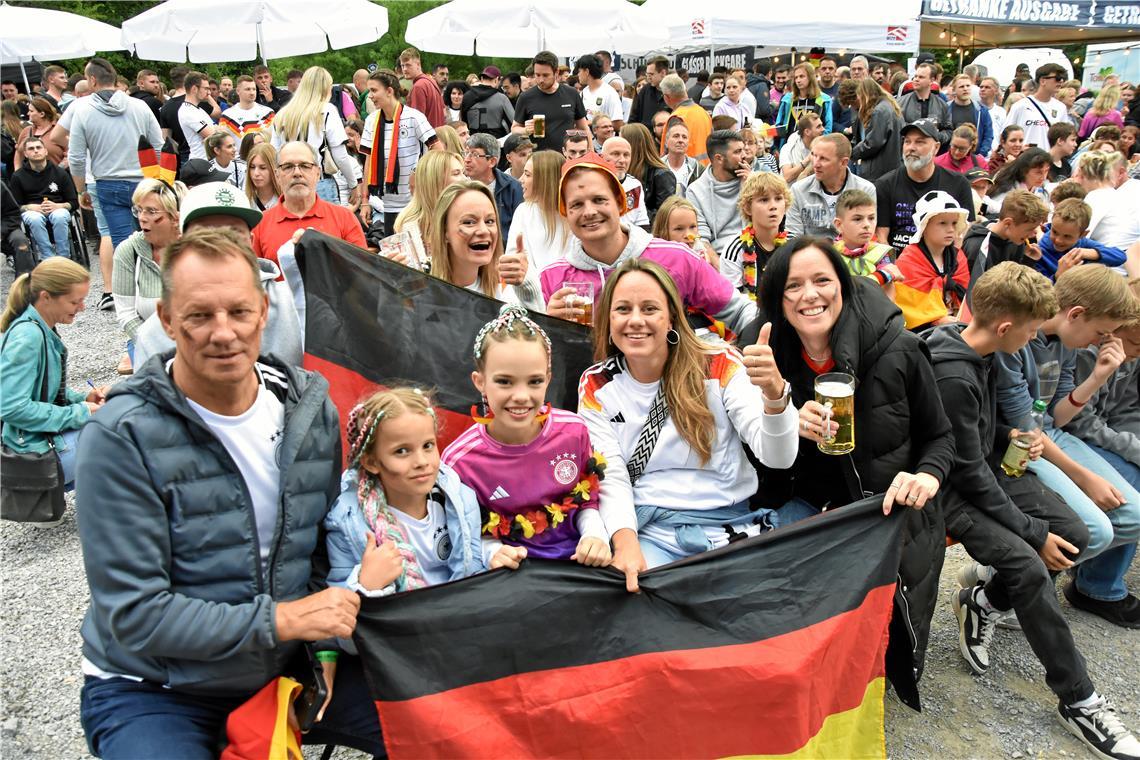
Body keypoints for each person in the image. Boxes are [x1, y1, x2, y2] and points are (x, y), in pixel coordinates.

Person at [76, 227, 384, 759]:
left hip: (284, 661)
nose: (223, 333)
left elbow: (322, 549)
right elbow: (135, 613)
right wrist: (284, 620)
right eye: (199, 316)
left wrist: (324, 653)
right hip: (157, 687)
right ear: (167, 320)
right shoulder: (121, 436)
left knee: (442, 725)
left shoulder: (308, 412)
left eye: (239, 312)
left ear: (264, 311)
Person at [927, 263, 1140, 760]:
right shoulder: (956, 370)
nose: (1032, 342)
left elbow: (985, 434)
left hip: (988, 470)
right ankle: (1080, 699)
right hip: (955, 490)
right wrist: (1030, 531)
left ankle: (983, 601)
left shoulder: (985, 354)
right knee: (1030, 564)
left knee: (1079, 534)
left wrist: (1010, 437)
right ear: (1007, 328)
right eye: (1029, 331)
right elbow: (967, 471)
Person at [744, 236, 955, 681]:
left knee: (876, 650)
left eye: (822, 280)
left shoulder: (899, 349)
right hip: (812, 509)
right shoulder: (768, 358)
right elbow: (761, 469)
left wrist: (926, 477)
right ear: (777, 299)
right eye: (794, 286)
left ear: (843, 284)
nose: (810, 295)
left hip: (884, 510)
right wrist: (780, 412)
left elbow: (941, 436)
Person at [578, 258, 798, 585]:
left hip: (732, 527)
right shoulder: (596, 385)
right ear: (608, 319)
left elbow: (778, 457)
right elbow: (612, 475)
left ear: (671, 318)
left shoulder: (720, 364)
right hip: (649, 531)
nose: (635, 320)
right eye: (622, 309)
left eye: (649, 308)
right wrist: (626, 546)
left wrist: (775, 394)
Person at [995, 265, 1140, 632]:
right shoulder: (1019, 342)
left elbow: (1058, 417)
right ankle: (1002, 585)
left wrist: (1098, 377)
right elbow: (1026, 428)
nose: (1099, 341)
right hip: (1021, 446)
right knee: (1095, 530)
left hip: (1050, 437)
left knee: (1134, 514)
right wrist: (1084, 477)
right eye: (1100, 332)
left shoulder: (1067, 343)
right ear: (1075, 314)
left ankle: (1013, 571)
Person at [442, 304, 609, 565]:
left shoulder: (574, 431)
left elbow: (588, 501)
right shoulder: (459, 461)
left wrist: (595, 536)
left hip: (581, 564)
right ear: (480, 381)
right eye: (504, 381)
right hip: (513, 576)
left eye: (534, 381)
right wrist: (492, 552)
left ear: (548, 378)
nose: (521, 396)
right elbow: (466, 531)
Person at [540, 154, 752, 334]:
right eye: (577, 204)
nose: (589, 212)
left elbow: (740, 311)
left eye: (599, 200)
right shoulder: (553, 277)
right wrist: (550, 327)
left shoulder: (676, 258)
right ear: (565, 213)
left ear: (620, 203)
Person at [327, 387, 503, 603]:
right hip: (400, 630)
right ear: (372, 462)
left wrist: (491, 552)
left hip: (458, 618)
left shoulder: (460, 501)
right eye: (402, 451)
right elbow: (337, 604)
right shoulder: (347, 521)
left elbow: (469, 560)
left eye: (428, 446)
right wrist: (364, 584)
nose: (421, 461)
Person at [0, 257, 105, 499]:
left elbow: (41, 390)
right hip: (29, 456)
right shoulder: (28, 337)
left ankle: (50, 502)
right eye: (75, 301)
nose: (83, 307)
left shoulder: (36, 326)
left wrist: (81, 398)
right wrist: (80, 412)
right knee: (117, 430)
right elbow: (12, 407)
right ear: (46, 297)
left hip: (32, 445)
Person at [64, 57, 163, 251]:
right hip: (143, 181)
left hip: (108, 183)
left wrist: (80, 189)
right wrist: (157, 179)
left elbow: (76, 156)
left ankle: (129, 279)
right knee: (152, 240)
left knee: (123, 245)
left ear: (92, 80)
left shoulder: (82, 111)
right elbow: (158, 146)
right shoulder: (139, 106)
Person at [251, 141, 366, 269]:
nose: (297, 173)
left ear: (317, 173)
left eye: (305, 166)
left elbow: (362, 273)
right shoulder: (260, 224)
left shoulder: (345, 218)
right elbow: (255, 280)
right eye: (288, 167)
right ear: (277, 175)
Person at [427, 180, 540, 309]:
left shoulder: (504, 294)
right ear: (444, 232)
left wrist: (527, 286)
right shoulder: (421, 292)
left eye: (490, 221)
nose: (484, 230)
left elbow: (536, 326)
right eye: (469, 222)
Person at [358, 68, 440, 238]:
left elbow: (438, 149)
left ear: (389, 91)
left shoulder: (413, 117)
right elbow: (368, 161)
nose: (370, 96)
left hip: (414, 203)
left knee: (417, 256)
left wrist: (418, 172)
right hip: (386, 204)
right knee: (393, 257)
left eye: (374, 90)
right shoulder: (371, 120)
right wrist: (365, 201)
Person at [874, 119, 975, 252]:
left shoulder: (958, 183)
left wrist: (950, 264)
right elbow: (881, 236)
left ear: (936, 148)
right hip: (899, 263)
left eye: (920, 142)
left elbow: (963, 232)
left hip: (942, 261)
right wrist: (892, 267)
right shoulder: (885, 184)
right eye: (907, 141)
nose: (911, 147)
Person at [111, 179, 186, 354]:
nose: (142, 218)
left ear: (175, 218)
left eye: (151, 211)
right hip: (148, 344)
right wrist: (157, 346)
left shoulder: (194, 248)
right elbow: (126, 314)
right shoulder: (128, 251)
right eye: (138, 210)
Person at [272, 67, 362, 208]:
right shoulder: (327, 111)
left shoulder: (282, 115)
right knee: (324, 229)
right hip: (319, 181)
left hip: (290, 184)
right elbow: (340, 156)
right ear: (325, 87)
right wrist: (353, 184)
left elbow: (274, 154)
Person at [894, 190, 971, 330]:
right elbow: (907, 307)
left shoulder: (959, 257)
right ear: (925, 226)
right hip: (920, 331)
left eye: (954, 223)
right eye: (942, 223)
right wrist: (936, 320)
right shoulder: (909, 260)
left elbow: (967, 297)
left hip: (957, 325)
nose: (950, 229)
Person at [787, 133, 875, 239]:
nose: (816, 164)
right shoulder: (798, 190)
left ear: (843, 162)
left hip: (850, 253)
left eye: (823, 159)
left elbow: (866, 236)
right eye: (814, 156)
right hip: (809, 253)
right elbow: (792, 239)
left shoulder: (865, 190)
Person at [722, 172, 791, 296]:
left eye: (778, 198)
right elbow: (732, 302)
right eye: (764, 200)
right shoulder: (735, 248)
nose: (773, 206)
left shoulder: (794, 245)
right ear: (748, 208)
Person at [393, 149, 465, 266]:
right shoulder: (410, 225)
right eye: (456, 173)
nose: (465, 179)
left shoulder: (468, 214)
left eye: (463, 172)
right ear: (436, 181)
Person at [10, 138, 77, 261]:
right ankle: (48, 258)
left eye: (38, 147)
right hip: (32, 210)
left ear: (45, 151)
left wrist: (59, 206)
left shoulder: (61, 173)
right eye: (31, 148)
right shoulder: (18, 177)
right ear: (25, 154)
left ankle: (64, 257)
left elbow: (74, 202)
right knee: (34, 219)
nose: (35, 151)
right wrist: (30, 207)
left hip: (57, 207)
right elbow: (15, 206)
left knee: (60, 216)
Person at [512, 51, 589, 154]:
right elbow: (514, 129)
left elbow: (583, 128)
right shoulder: (526, 97)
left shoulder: (571, 93)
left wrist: (591, 154)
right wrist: (526, 130)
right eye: (537, 75)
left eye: (545, 75)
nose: (540, 80)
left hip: (567, 158)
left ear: (556, 72)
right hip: (538, 159)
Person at [962, 190, 1049, 281]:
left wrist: (1028, 260)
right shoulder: (978, 246)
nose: (1034, 233)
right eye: (1030, 229)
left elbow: (1015, 283)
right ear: (1008, 223)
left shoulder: (1015, 240)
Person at [507, 149, 571, 272]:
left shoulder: (573, 214)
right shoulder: (523, 212)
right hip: (531, 288)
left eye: (527, 174)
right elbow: (514, 259)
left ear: (545, 180)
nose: (521, 179)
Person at [688, 129, 748, 257]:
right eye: (737, 152)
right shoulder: (696, 191)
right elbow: (701, 239)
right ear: (719, 158)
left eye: (743, 150)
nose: (744, 156)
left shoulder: (753, 181)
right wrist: (722, 272)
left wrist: (749, 187)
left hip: (751, 250)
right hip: (717, 255)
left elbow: (763, 228)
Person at [1037, 198, 1127, 281]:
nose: (1058, 240)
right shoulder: (1040, 252)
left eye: (1067, 236)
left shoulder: (1082, 244)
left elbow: (1120, 257)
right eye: (1055, 232)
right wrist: (1058, 276)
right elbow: (1039, 291)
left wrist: (1085, 253)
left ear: (1083, 234)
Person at [832, 188, 901, 293]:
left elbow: (888, 298)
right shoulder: (829, 254)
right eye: (857, 219)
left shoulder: (881, 253)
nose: (867, 225)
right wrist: (881, 276)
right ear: (839, 225)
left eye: (871, 218)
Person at [1074, 150, 1140, 257]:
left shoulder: (1097, 197)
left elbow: (1077, 237)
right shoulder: (1114, 195)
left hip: (1109, 263)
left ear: (1081, 173)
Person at [464, 132, 522, 237]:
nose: (467, 159)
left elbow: (519, 230)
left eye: (474, 154)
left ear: (492, 161)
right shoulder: (460, 187)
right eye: (466, 153)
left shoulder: (513, 188)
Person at [850, 78, 903, 183]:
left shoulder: (879, 111)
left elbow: (873, 143)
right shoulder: (890, 106)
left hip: (879, 170)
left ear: (865, 94)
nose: (859, 99)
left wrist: (851, 152)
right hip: (892, 167)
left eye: (859, 95)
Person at [620, 123, 673, 225]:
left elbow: (664, 217)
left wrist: (636, 209)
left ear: (632, 144)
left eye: (622, 141)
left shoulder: (662, 175)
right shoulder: (623, 171)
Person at [1005, 63, 1068, 150]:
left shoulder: (1061, 108)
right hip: (1024, 160)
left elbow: (1063, 137)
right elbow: (1005, 134)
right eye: (1057, 78)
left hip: (1048, 160)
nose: (1061, 81)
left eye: (1063, 78)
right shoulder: (1020, 106)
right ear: (1042, 81)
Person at [774, 63, 832, 151]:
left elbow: (827, 127)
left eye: (802, 76)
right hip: (790, 148)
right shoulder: (787, 99)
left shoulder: (824, 99)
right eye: (796, 77)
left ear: (810, 77)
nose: (798, 80)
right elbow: (779, 125)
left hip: (815, 149)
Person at [660, 74, 712, 165]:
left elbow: (669, 151)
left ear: (666, 97)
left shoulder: (677, 117)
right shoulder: (703, 113)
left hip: (685, 170)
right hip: (704, 170)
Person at [600, 136, 649, 231]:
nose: (622, 160)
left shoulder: (635, 185)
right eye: (616, 154)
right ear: (602, 157)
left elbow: (642, 223)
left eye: (626, 155)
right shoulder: (593, 184)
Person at [947, 73, 994, 157]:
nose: (965, 89)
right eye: (961, 86)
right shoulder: (946, 109)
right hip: (950, 157)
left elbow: (988, 135)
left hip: (973, 158)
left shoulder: (981, 110)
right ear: (954, 90)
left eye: (968, 86)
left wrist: (981, 155)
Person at [461, 66, 514, 139]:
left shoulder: (466, 96)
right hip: (495, 142)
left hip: (473, 142)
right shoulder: (502, 98)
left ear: (482, 79)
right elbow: (514, 122)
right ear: (497, 79)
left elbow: (463, 122)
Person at [398, 49, 445, 129]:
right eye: (402, 65)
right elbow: (444, 113)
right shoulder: (431, 82)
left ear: (418, 64)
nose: (405, 69)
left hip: (426, 138)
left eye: (408, 65)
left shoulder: (418, 86)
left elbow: (416, 122)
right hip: (437, 135)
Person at [576, 55, 624, 132]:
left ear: (587, 71)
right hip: (586, 141)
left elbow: (618, 124)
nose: (578, 75)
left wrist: (592, 123)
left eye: (579, 71)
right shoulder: (582, 93)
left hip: (605, 142)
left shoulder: (610, 93)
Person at [220, 75, 276, 140]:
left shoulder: (268, 113)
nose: (252, 93)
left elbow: (275, 140)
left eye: (254, 89)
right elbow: (223, 143)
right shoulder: (227, 116)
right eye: (248, 89)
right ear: (238, 91)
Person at [14, 98, 64, 170]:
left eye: (31, 111)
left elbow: (70, 155)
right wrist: (17, 171)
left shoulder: (58, 131)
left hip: (56, 178)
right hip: (31, 178)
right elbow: (19, 153)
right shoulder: (26, 130)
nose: (28, 113)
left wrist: (58, 171)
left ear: (42, 114)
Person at [177, 71, 216, 161]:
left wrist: (217, 130)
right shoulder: (188, 111)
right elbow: (215, 137)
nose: (209, 92)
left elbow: (215, 133)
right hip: (201, 162)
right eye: (206, 89)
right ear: (194, 89)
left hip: (207, 161)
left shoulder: (198, 109)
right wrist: (217, 131)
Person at [662, 117, 705, 194]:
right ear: (666, 142)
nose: (680, 140)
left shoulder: (698, 169)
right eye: (676, 136)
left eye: (684, 137)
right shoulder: (656, 167)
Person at [779, 113, 824, 184]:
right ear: (807, 132)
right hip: (791, 192)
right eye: (818, 127)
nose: (823, 129)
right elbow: (787, 177)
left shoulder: (823, 148)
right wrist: (808, 159)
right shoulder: (787, 148)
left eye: (822, 125)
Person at [628, 56, 669, 132]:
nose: (648, 78)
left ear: (663, 73)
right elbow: (634, 117)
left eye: (651, 74)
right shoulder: (645, 90)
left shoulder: (672, 92)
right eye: (647, 74)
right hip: (645, 139)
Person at [244, 142, 281, 212]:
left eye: (263, 168)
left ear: (274, 169)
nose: (256, 173)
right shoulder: (244, 201)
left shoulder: (286, 200)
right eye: (252, 167)